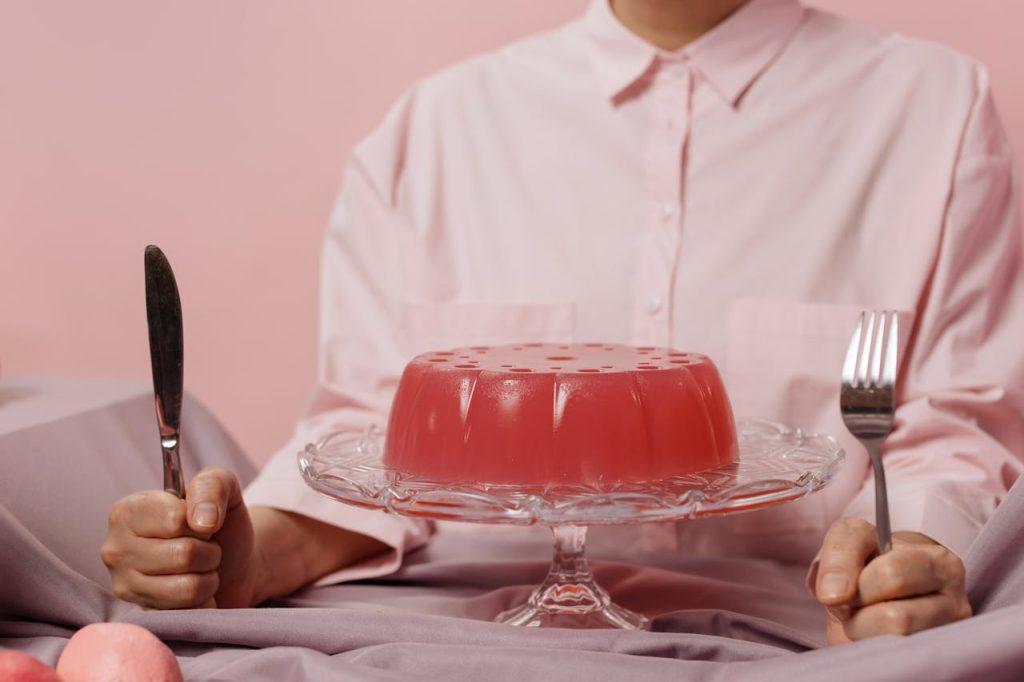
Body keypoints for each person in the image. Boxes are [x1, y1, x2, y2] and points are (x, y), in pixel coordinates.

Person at [100, 0, 1023, 645]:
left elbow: (957, 430)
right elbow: (376, 439)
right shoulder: (436, 129)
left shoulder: (934, 111)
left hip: (799, 632)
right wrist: (252, 557)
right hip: (466, 636)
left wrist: (912, 554)